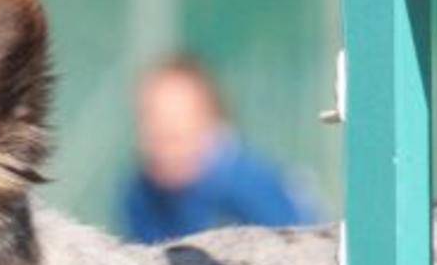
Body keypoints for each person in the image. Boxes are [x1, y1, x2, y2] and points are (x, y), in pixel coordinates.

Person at [119, 54, 319, 243]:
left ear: (210, 122)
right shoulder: (141, 195)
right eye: (150, 118)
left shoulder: (252, 187)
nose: (161, 135)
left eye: (175, 127)